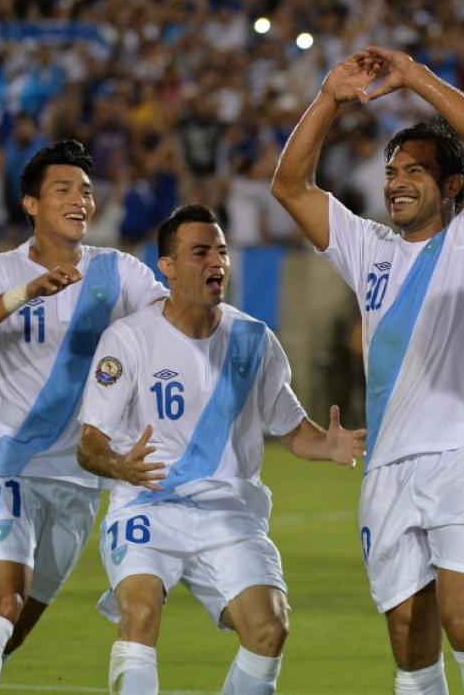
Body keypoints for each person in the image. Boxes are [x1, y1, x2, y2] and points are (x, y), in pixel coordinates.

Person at [271, 47, 464, 695]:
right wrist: (328, 98)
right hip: (389, 466)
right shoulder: (369, 249)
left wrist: (412, 77)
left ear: (452, 186)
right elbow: (290, 187)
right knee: (411, 645)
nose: (396, 182)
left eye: (415, 170)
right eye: (391, 171)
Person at [0, 140, 167, 695]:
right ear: (31, 204)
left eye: (87, 191)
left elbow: (170, 320)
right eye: (64, 189)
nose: (80, 200)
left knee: (12, 632)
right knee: (0, 603)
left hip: (79, 478)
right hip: (9, 466)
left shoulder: (118, 272)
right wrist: (26, 291)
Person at [75, 204, 365, 694]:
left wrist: (327, 444)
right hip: (148, 504)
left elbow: (292, 429)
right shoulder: (128, 339)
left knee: (269, 629)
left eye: (222, 251)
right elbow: (90, 444)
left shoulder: (253, 339)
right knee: (140, 611)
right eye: (200, 252)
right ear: (166, 266)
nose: (217, 262)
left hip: (228, 514)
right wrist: (119, 466)